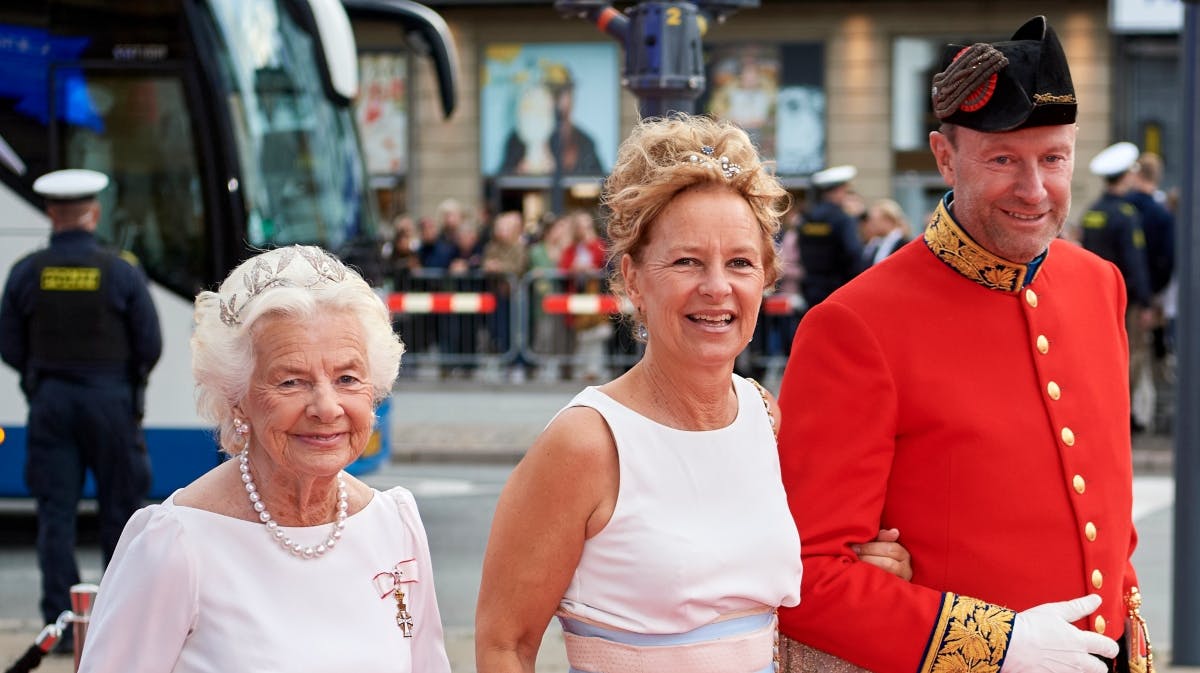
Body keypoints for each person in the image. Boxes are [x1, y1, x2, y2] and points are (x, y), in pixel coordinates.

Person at [777, 16, 1151, 673]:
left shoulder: (1101, 285)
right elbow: (805, 580)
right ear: (945, 157)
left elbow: (1107, 515)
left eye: (1053, 159)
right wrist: (995, 644)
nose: (1035, 190)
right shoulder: (854, 325)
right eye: (1004, 159)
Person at [475, 114, 912, 673]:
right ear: (633, 278)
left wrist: (867, 571)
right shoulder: (586, 443)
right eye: (687, 261)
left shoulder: (764, 414)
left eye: (740, 263)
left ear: (766, 279)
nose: (716, 287)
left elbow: (778, 597)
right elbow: (503, 646)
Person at [77, 245, 451, 673]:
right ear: (238, 399)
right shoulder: (176, 543)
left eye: (347, 378)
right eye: (292, 381)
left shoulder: (395, 524)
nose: (327, 408)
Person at [0, 168, 162, 653]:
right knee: (120, 514)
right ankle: (117, 625)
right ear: (93, 214)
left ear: (51, 214)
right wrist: (123, 381)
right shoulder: (121, 271)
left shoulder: (28, 271)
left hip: (52, 403)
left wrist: (40, 376)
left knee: (56, 517)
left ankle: (63, 628)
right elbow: (150, 344)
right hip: (111, 403)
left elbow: (8, 344)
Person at [1081, 141, 1155, 434]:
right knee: (1128, 357)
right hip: (1124, 301)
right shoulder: (1125, 215)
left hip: (1093, 299)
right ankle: (1119, 417)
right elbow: (1134, 263)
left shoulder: (1093, 212)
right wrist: (1146, 303)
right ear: (1125, 176)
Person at [1124, 151, 1176, 433]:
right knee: (1139, 354)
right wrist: (1155, 295)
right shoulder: (1161, 214)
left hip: (1117, 293)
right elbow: (1168, 259)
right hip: (1146, 298)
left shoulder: (1123, 206)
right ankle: (1138, 414)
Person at [797, 164, 863, 307]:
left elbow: (801, 251)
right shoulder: (842, 219)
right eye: (846, 191)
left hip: (811, 287)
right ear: (838, 191)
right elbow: (853, 253)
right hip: (838, 288)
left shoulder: (807, 218)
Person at [859, 198, 912, 268]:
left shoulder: (904, 245)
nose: (870, 224)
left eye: (874, 220)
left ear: (887, 220)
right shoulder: (875, 244)